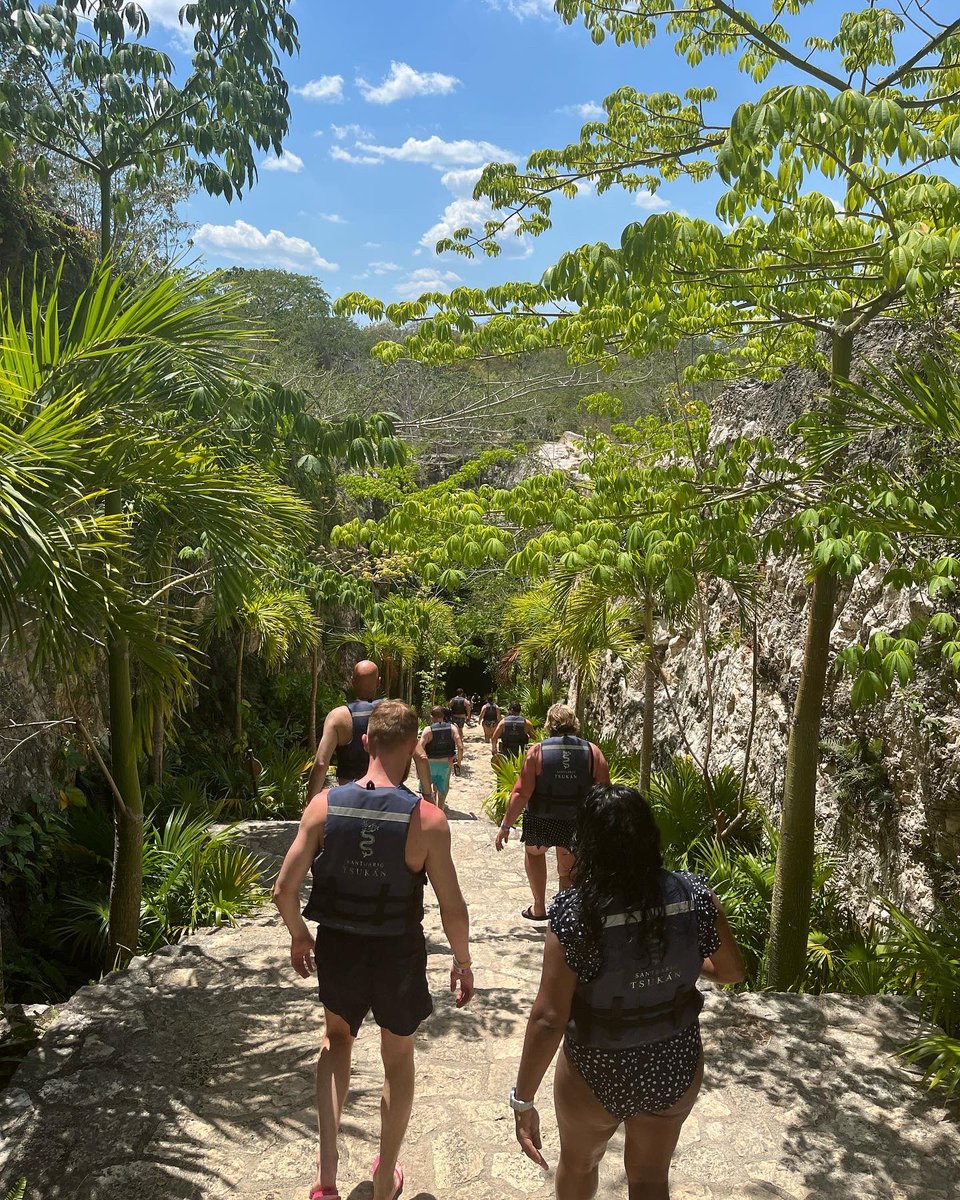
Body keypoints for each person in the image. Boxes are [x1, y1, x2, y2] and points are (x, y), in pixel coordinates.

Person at [273, 700, 475, 1200]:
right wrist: (463, 960)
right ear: (413, 748)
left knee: (335, 1043)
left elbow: (282, 889)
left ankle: (326, 1179)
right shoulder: (427, 820)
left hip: (339, 945)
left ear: (365, 743)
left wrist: (300, 933)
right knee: (397, 1056)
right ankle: (384, 1181)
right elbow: (453, 907)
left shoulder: (323, 805)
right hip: (396, 953)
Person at [507, 782, 745, 1200]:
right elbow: (730, 971)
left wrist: (522, 1099)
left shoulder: (574, 912)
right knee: (651, 1178)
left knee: (579, 1165)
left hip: (596, 1068)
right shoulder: (694, 894)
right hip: (673, 1060)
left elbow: (548, 1019)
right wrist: (680, 966)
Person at [495, 704, 609, 921]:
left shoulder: (537, 751)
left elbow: (521, 792)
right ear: (574, 723)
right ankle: (566, 911)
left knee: (534, 853)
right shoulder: (593, 752)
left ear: (550, 725)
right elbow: (604, 791)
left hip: (542, 818)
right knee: (568, 867)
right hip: (578, 821)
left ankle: (539, 907)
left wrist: (505, 825)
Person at [305, 661, 431, 802]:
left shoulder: (338, 717)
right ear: (378, 683)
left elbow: (321, 763)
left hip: (350, 798)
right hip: (389, 796)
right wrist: (428, 796)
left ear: (353, 682)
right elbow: (421, 758)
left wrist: (310, 803)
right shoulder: (396, 713)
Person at [415, 705, 463, 810]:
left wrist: (418, 769)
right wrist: (458, 763)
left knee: (426, 791)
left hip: (429, 765)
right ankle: (440, 811)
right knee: (443, 790)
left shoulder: (428, 730)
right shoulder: (452, 728)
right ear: (443, 715)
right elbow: (460, 746)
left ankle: (429, 812)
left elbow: (419, 749)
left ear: (432, 717)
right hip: (445, 764)